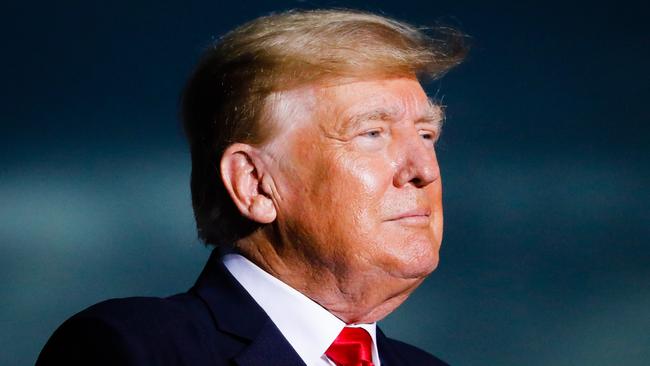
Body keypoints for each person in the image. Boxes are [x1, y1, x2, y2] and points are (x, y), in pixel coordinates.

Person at [37, 9, 466, 366]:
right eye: (372, 133)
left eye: (427, 135)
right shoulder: (133, 348)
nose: (424, 169)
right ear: (254, 184)